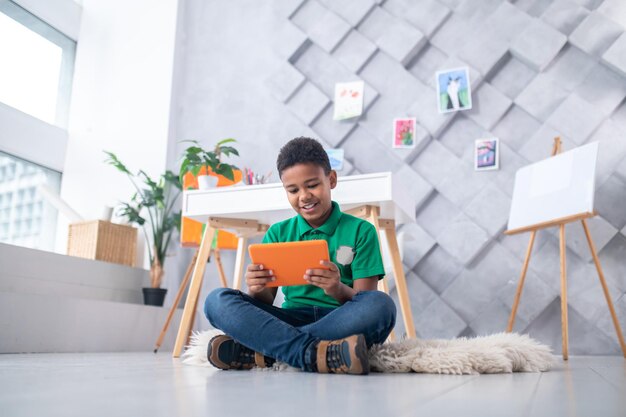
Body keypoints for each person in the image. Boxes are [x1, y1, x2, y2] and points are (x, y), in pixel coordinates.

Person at [204, 137, 396, 375]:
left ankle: (266, 353)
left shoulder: (361, 230)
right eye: (293, 190)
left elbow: (366, 299)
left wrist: (337, 289)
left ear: (331, 180)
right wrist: (256, 288)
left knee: (382, 306)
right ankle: (318, 353)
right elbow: (265, 300)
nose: (304, 196)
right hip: (286, 321)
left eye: (312, 185)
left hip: (340, 320)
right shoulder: (278, 233)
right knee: (216, 300)